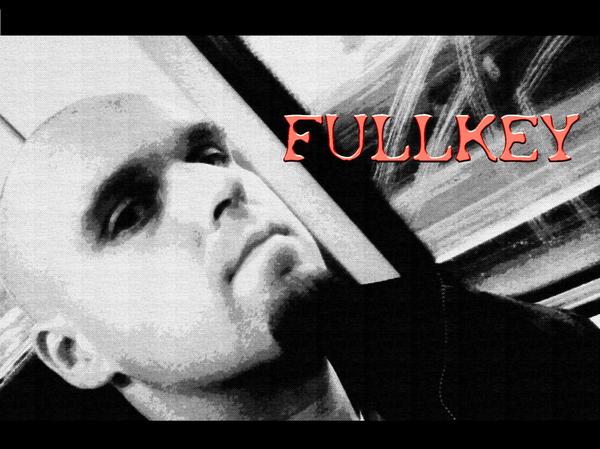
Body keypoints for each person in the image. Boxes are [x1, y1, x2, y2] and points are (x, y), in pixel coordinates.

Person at [1, 94, 599, 420]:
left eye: (209, 156)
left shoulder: (488, 347)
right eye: (129, 215)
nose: (221, 186)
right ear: (78, 353)